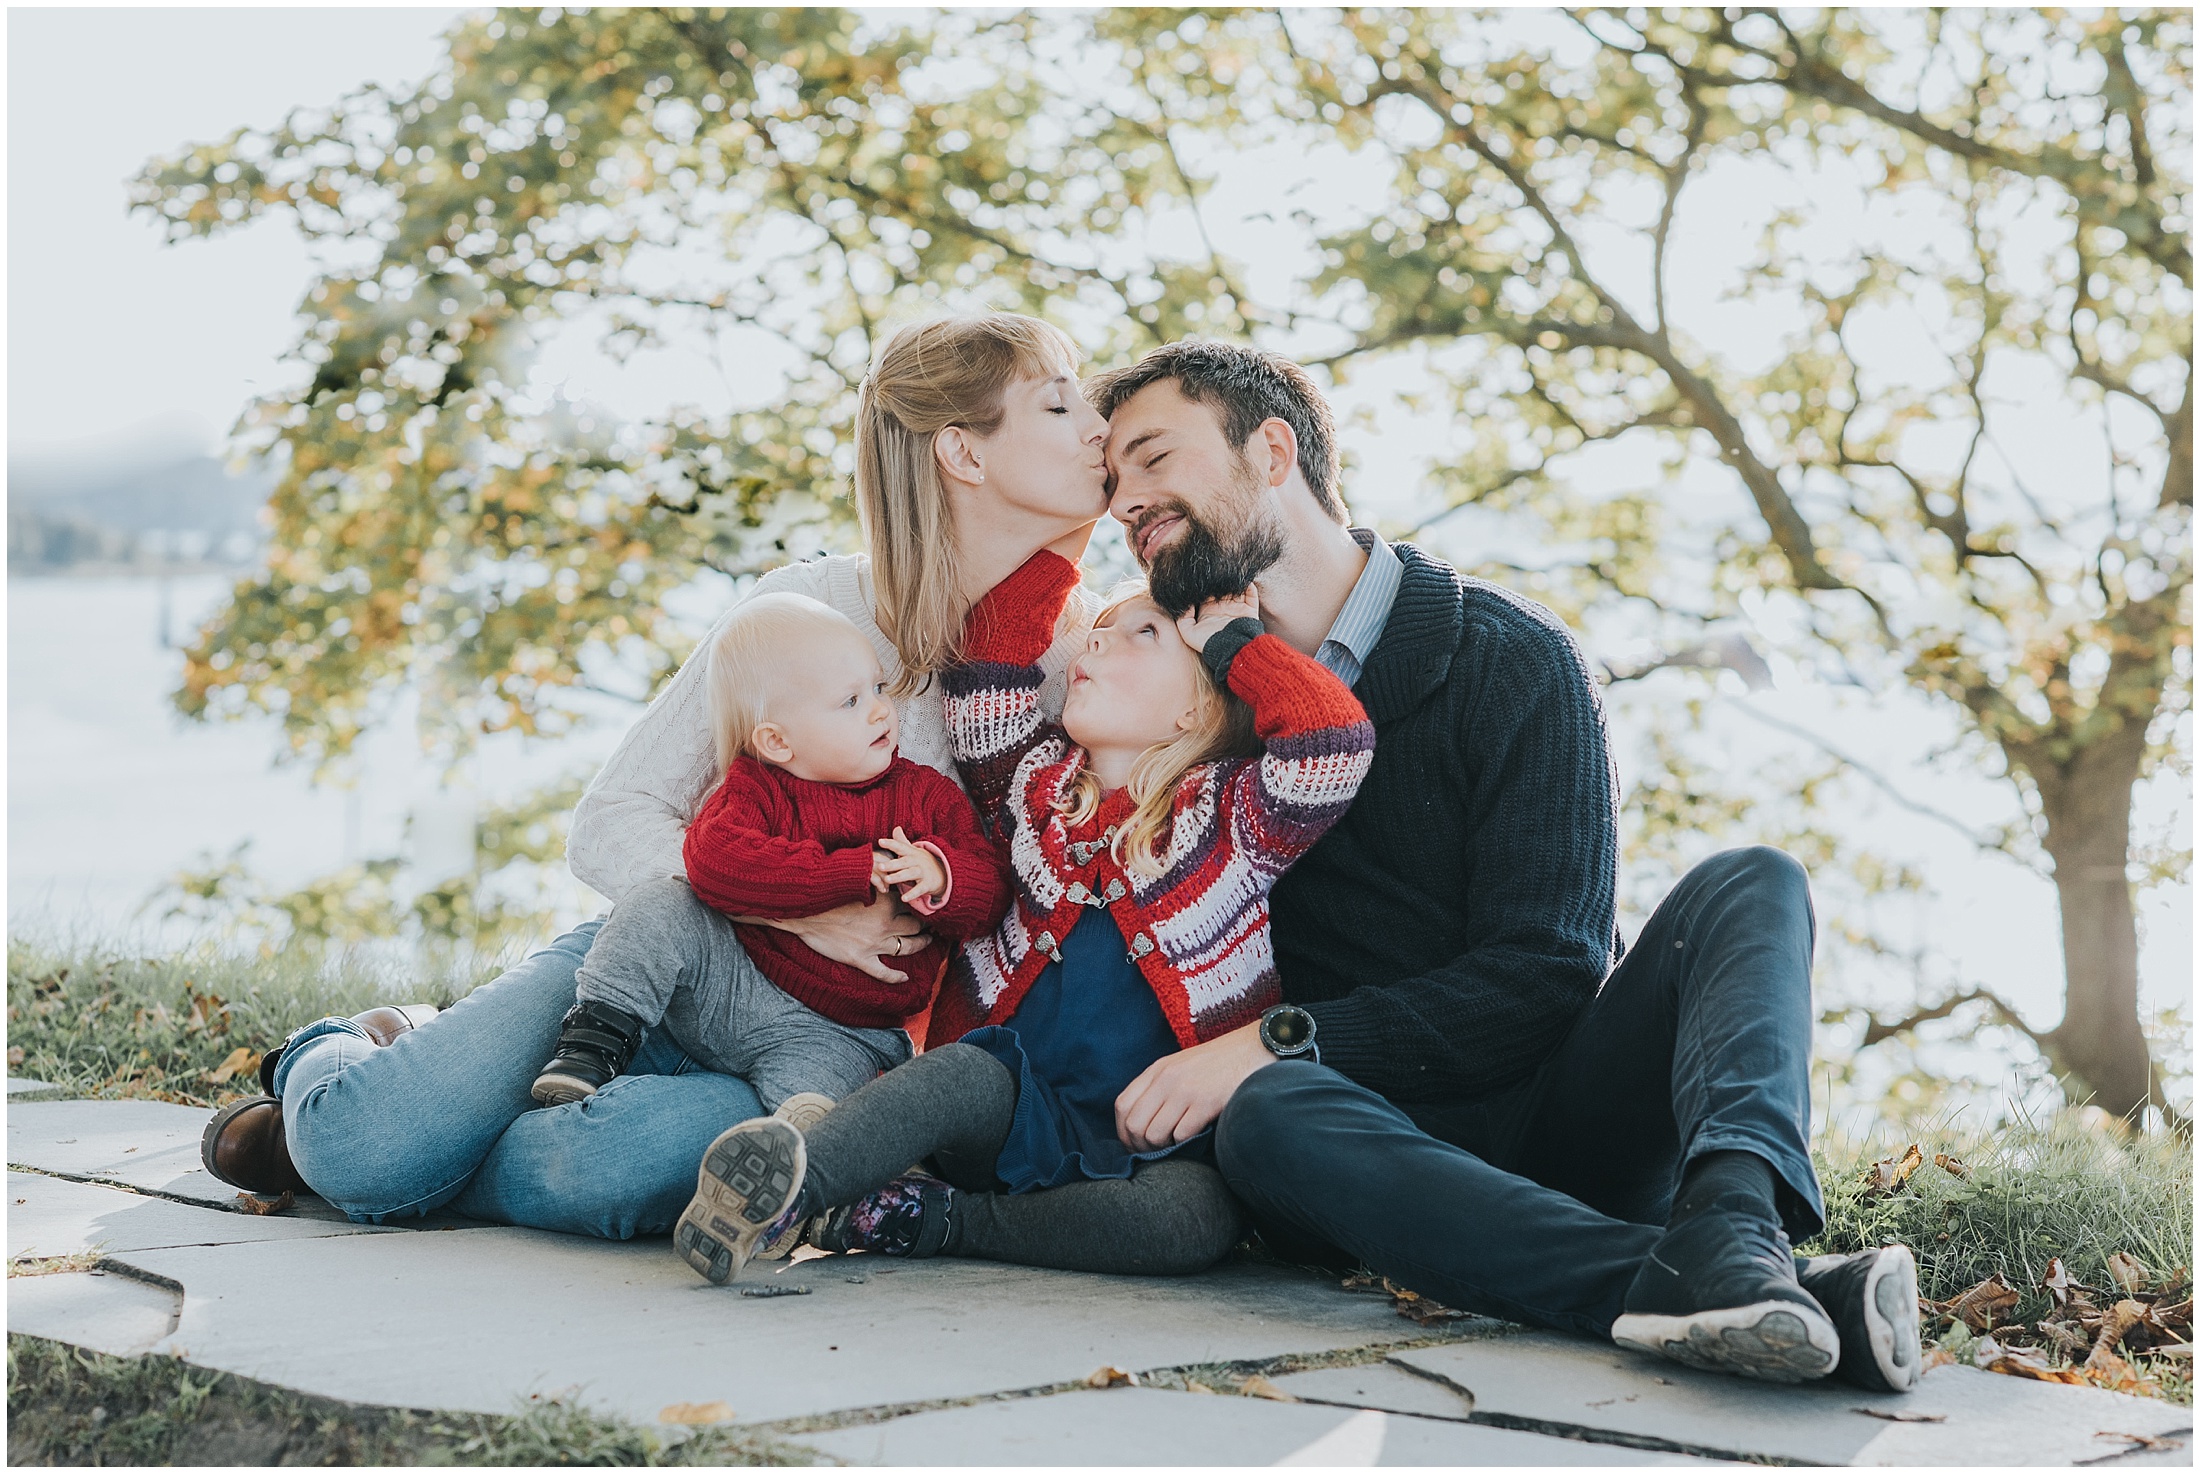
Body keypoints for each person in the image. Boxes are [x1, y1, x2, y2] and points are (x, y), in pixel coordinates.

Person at [1071, 340, 1922, 1395]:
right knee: (1269, 1113)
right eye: (1112, 484)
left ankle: (1735, 1227)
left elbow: (1546, 974)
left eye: (1153, 458)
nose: (1127, 502)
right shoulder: (1202, 703)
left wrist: (1278, 1038)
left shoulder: (1509, 656)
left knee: (1750, 882)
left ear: (1273, 448)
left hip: (1562, 1115)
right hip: (1363, 1152)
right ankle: (1724, 1284)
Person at [197, 313, 1115, 1240]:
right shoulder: (814, 607)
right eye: (1059, 401)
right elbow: (611, 821)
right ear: (962, 452)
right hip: (662, 966)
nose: (1099, 424)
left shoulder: (1087, 664)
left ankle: (442, 1139)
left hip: (817, 1045)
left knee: (614, 1165)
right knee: (362, 1148)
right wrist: (793, 906)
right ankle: (349, 1055)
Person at [667, 548, 1374, 1284]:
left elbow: (1332, 747)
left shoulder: (1233, 818)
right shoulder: (1032, 787)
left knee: (1189, 1220)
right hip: (1010, 1109)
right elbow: (991, 658)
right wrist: (1075, 528)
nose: (1096, 640)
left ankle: (937, 1222)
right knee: (957, 1077)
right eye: (1099, 630)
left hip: (1156, 1140)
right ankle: (785, 1194)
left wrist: (1235, 643)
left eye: (1144, 634)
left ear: (1197, 704)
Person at [527, 593, 1010, 1108]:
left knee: (819, 1094)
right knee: (659, 905)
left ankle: (790, 1147)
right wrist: (848, 873)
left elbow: (993, 893)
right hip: (729, 982)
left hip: (838, 1029)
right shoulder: (756, 789)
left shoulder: (927, 796)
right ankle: (596, 1038)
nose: (880, 710)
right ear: (777, 741)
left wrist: (941, 874)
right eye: (850, 702)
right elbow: (713, 862)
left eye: (878, 688)